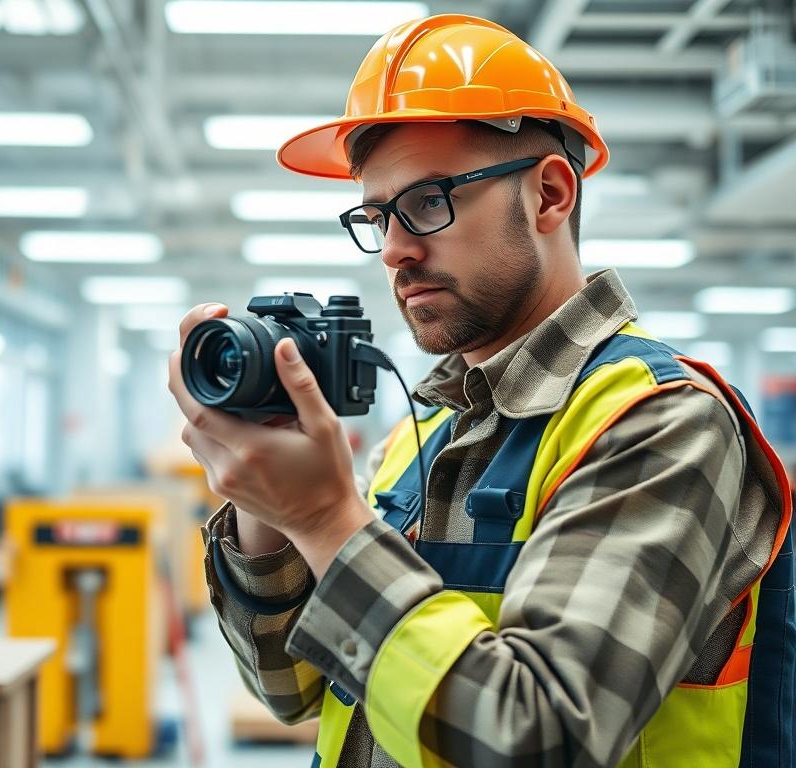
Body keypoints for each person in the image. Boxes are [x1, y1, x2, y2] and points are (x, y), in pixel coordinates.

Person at [167, 14, 795, 768]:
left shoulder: (661, 424)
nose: (395, 247)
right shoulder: (422, 435)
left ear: (550, 195)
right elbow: (291, 687)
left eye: (428, 201)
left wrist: (326, 517)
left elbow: (534, 738)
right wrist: (268, 511)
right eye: (375, 216)